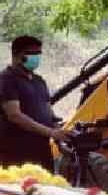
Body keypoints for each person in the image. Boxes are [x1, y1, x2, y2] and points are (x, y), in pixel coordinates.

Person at [1, 35, 68, 170]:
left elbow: (49, 112)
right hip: (16, 152)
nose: (37, 58)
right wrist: (51, 132)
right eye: (33, 53)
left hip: (42, 151)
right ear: (17, 54)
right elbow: (15, 115)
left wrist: (58, 132)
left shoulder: (39, 81)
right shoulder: (6, 79)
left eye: (39, 53)